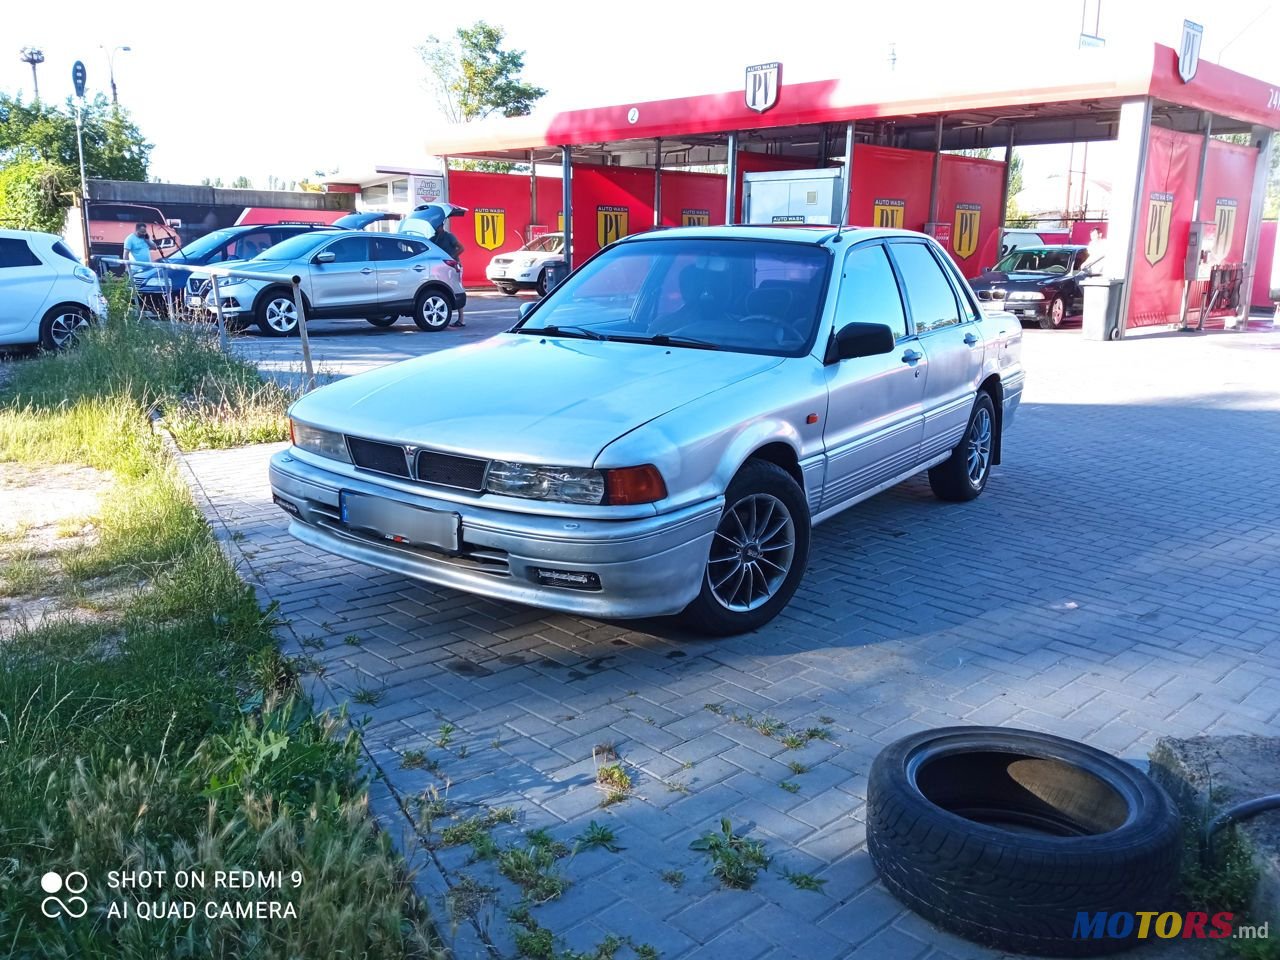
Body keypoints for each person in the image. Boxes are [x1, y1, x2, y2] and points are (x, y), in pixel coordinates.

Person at [432, 225, 466, 327]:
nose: (436, 228)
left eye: (437, 226)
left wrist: (452, 257)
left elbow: (461, 248)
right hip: (440, 267)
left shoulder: (449, 236)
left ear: (441, 226)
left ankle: (461, 319)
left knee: (456, 289)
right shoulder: (433, 239)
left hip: (452, 266)